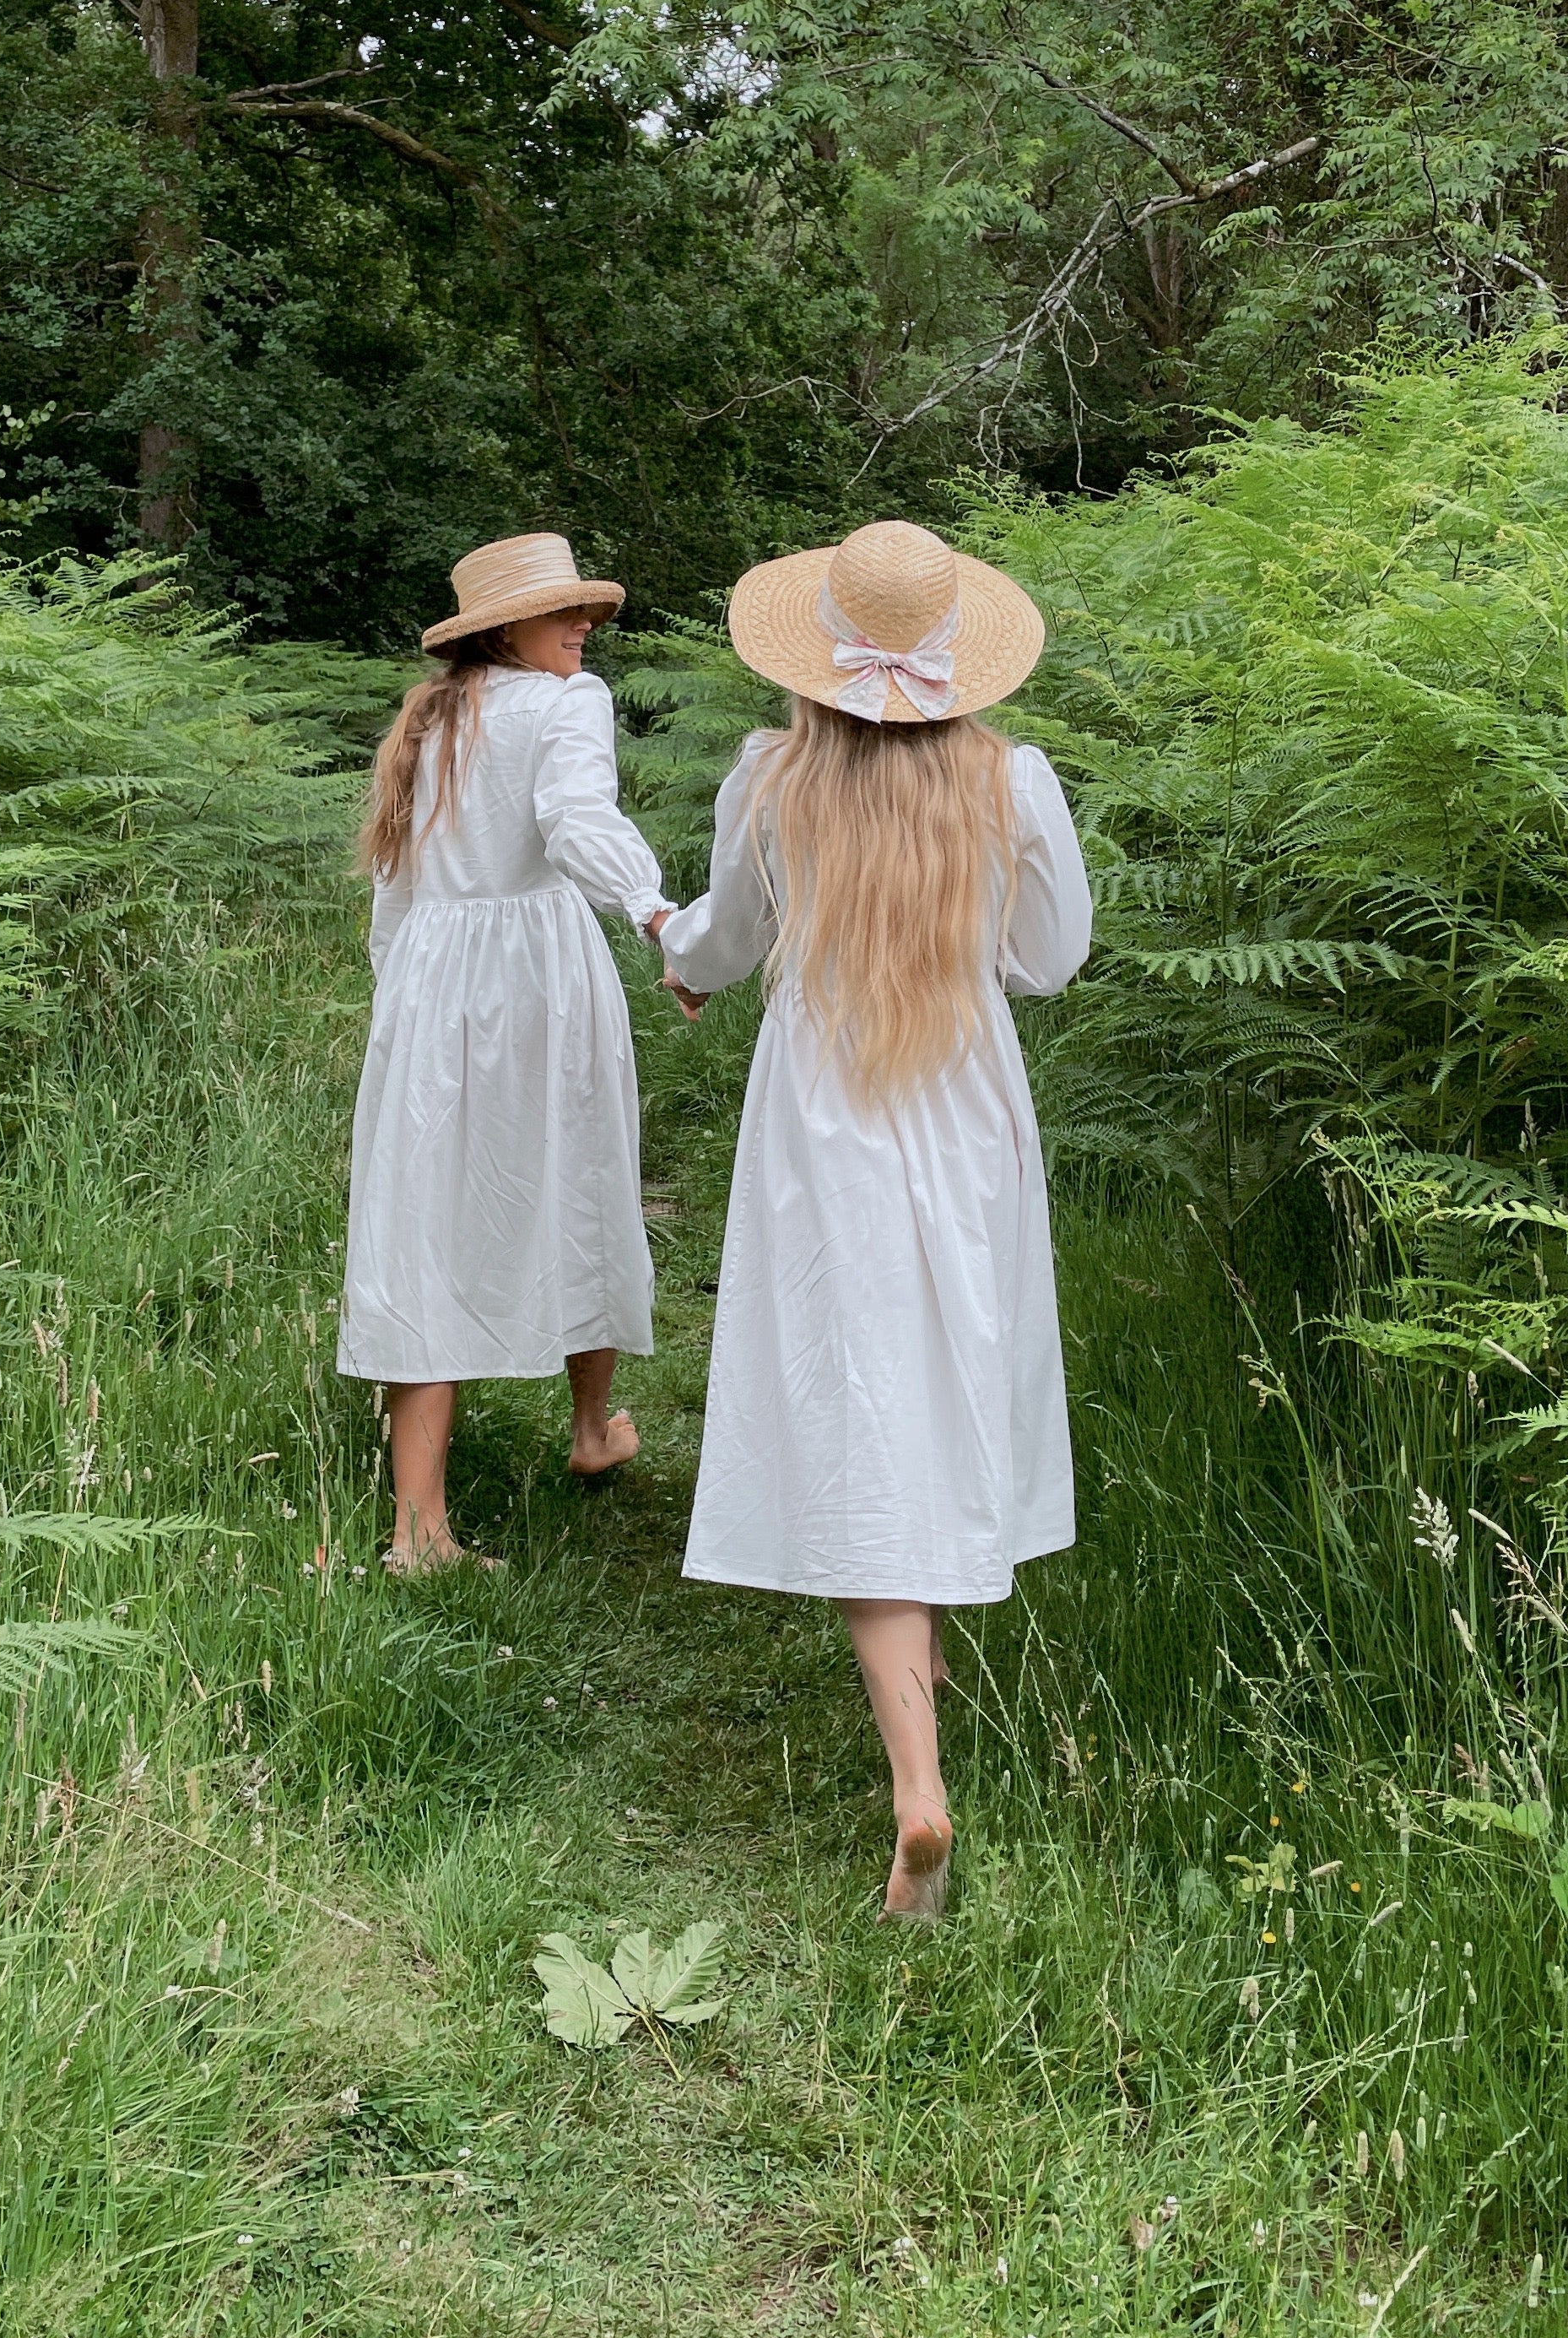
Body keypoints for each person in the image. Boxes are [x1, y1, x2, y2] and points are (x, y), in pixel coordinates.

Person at [658, 520, 1091, 1917]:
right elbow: (1049, 958)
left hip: (823, 1114)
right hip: (961, 1101)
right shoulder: (1010, 779)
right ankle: (929, 1691)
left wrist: (683, 961)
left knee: (858, 1412)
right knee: (951, 1368)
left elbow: (721, 942)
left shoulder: (768, 777)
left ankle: (915, 1786)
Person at [339, 532, 672, 1570]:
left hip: (435, 977)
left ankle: (419, 1527)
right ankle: (586, 1431)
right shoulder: (570, 703)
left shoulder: (430, 717)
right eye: (562, 613)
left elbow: (396, 889)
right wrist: (657, 911)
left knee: (424, 1214)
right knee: (580, 1176)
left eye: (589, 612)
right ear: (500, 629)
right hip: (538, 971)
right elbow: (574, 819)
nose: (584, 627)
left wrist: (399, 994)